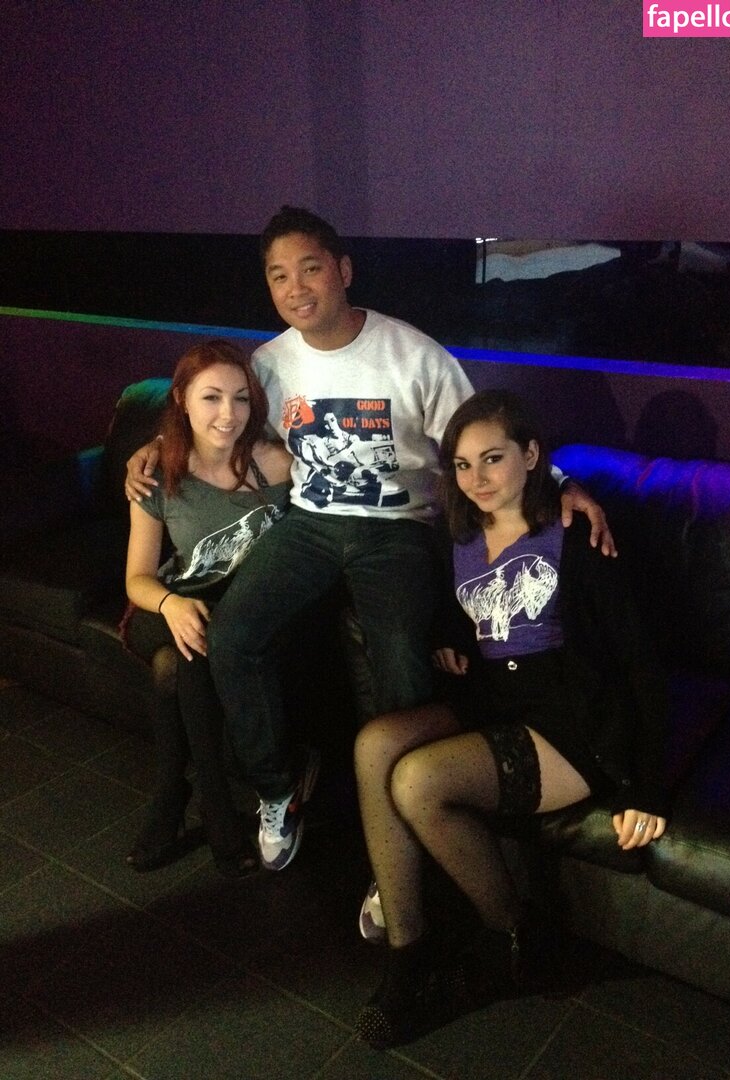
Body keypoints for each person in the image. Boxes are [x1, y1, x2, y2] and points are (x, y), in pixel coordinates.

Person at [124, 206, 615, 874]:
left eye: (310, 269)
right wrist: (156, 445)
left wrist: (558, 483)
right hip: (309, 523)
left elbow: (483, 438)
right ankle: (277, 789)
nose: (296, 288)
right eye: (278, 276)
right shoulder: (268, 365)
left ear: (344, 270)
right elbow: (216, 416)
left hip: (397, 529)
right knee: (233, 638)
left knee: (400, 658)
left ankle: (405, 818)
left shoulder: (412, 355)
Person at [353, 389, 668, 1049]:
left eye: (492, 458)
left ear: (530, 455)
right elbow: (464, 614)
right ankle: (409, 951)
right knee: (375, 744)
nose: (477, 479)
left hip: (570, 719)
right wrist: (447, 639)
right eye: (463, 465)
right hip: (494, 697)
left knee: (418, 780)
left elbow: (639, 660)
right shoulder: (459, 531)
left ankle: (516, 938)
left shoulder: (577, 534)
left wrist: (644, 786)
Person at [123, 340, 291, 878]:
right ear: (182, 399)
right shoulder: (157, 474)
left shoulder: (277, 464)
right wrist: (172, 604)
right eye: (211, 397)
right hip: (167, 602)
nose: (228, 413)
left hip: (241, 610)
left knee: (176, 664)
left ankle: (172, 794)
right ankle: (215, 807)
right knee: (190, 644)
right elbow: (137, 578)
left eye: (240, 398)